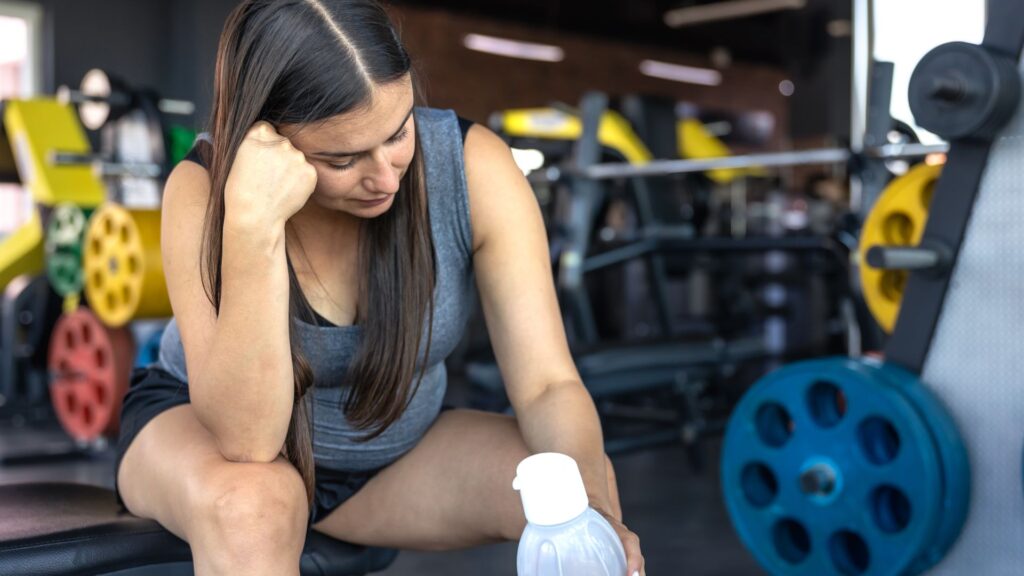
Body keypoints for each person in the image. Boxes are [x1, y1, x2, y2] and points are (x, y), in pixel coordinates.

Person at [113, 1, 645, 574]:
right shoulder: (202, 192)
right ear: (266, 134)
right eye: (342, 158)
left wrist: (598, 521)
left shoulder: (474, 168)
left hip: (394, 458)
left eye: (397, 132)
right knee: (256, 506)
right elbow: (248, 441)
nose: (386, 177)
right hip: (208, 441)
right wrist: (253, 225)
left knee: (574, 490)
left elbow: (547, 385)